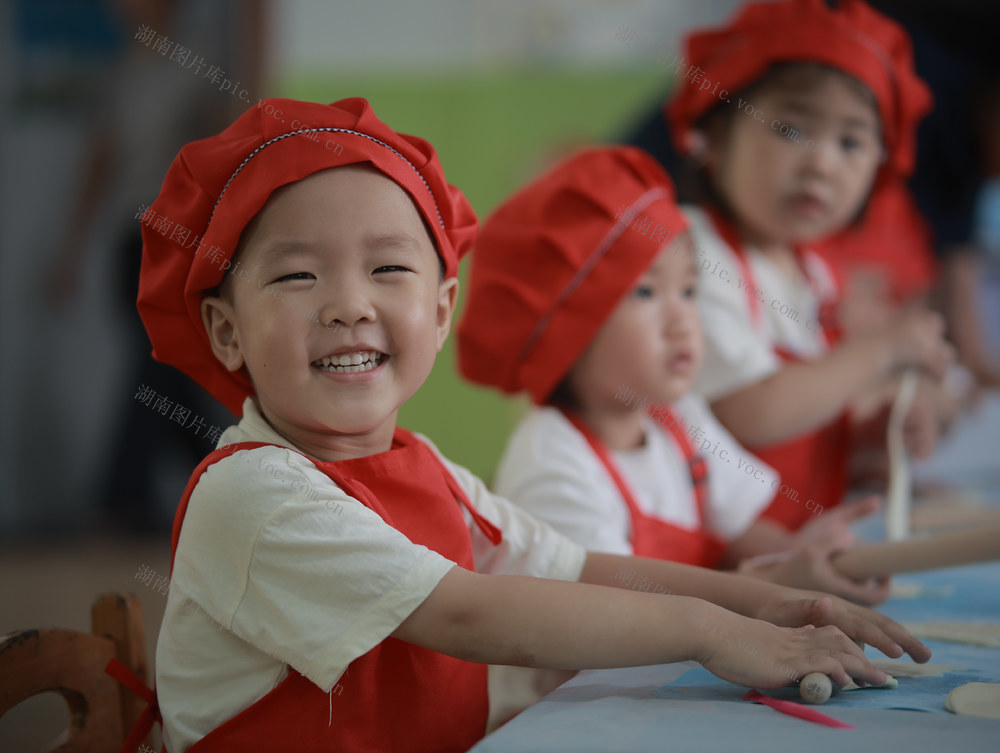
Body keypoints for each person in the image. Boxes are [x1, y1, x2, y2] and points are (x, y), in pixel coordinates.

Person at [125, 97, 928, 750]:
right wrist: (707, 630)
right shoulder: (255, 495)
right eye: (297, 274)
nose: (349, 304)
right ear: (227, 331)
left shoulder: (423, 466)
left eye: (389, 268)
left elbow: (570, 566)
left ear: (441, 311)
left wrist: (765, 605)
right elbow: (470, 611)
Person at [456, 145, 893, 721]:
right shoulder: (552, 457)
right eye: (645, 292)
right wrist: (767, 588)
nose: (681, 319)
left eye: (689, 290)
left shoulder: (678, 420)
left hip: (678, 685)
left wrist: (804, 558)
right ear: (565, 329)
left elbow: (744, 529)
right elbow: (611, 621)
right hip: (580, 714)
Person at [662, 0, 953, 531]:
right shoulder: (692, 253)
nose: (821, 162)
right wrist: (881, 349)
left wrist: (871, 436)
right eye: (791, 130)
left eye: (851, 141)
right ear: (716, 139)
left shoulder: (812, 271)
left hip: (787, 549)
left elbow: (804, 421)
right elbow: (749, 412)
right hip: (714, 568)